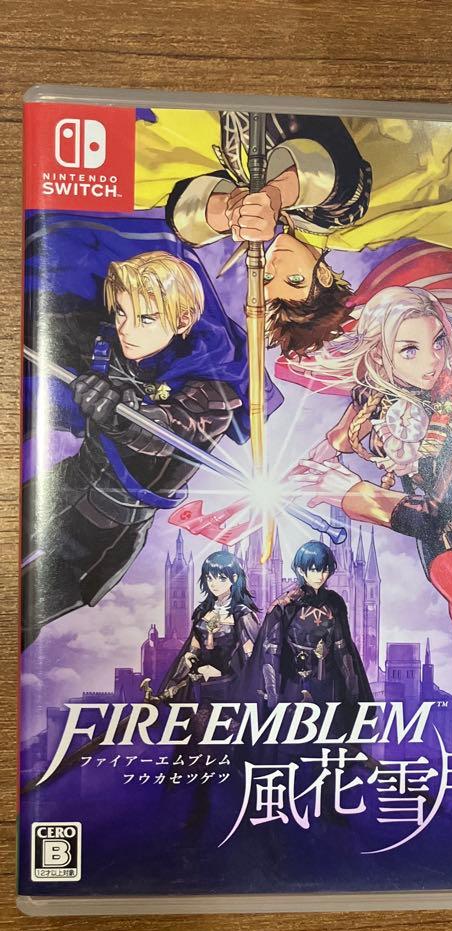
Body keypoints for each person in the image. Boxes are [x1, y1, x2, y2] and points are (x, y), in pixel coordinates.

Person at [21, 229, 279, 648]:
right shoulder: (110, 340)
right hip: (60, 485)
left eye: (145, 319)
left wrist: (121, 415)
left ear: (181, 320)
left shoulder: (213, 389)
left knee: (21, 612)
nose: (127, 329)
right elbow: (47, 325)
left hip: (105, 528)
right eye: (122, 313)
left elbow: (174, 431)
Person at [140, 108, 452, 355]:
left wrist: (226, 209)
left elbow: (185, 213)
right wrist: (278, 193)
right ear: (323, 275)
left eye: (267, 277)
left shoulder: (271, 221)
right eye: (295, 280)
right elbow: (338, 184)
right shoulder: (341, 226)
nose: (275, 266)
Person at [289, 285, 452, 658]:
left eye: (438, 343)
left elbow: (438, 512)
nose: (432, 362)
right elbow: (350, 428)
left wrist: (354, 493)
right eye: (410, 350)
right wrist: (324, 453)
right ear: (380, 354)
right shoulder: (382, 393)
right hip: (449, 541)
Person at [251, 541, 371, 707]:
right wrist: (272, 690)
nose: (320, 576)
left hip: (328, 680)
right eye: (314, 570)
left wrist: (351, 684)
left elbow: (342, 645)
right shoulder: (285, 605)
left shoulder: (335, 602)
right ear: (301, 570)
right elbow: (271, 649)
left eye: (324, 570)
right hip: (294, 680)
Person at [156, 551, 260, 703]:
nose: (214, 583)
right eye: (210, 578)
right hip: (199, 686)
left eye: (221, 578)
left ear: (234, 578)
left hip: (229, 689)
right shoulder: (202, 612)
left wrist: (224, 673)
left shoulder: (243, 614)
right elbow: (192, 652)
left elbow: (251, 659)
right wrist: (175, 681)